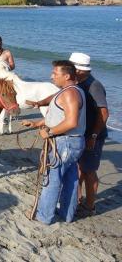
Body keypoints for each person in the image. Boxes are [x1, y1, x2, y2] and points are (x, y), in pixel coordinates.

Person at [22, 60, 86, 224]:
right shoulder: (72, 91)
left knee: (52, 179)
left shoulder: (70, 94)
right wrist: (37, 123)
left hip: (65, 143)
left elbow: (71, 122)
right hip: (73, 142)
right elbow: (59, 117)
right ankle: (66, 215)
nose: (51, 76)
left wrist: (49, 132)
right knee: (70, 179)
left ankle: (44, 216)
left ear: (66, 76)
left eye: (55, 74)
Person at [68, 53, 109, 217]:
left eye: (71, 68)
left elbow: (104, 113)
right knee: (79, 169)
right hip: (82, 134)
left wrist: (92, 136)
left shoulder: (94, 86)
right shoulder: (79, 83)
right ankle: (78, 200)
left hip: (93, 136)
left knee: (89, 171)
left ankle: (90, 206)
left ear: (79, 70)